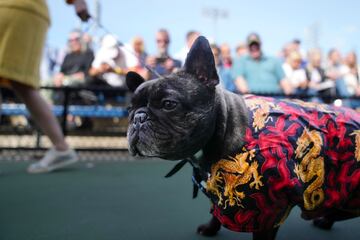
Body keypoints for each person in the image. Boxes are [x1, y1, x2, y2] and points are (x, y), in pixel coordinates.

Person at [0, 0, 90, 173]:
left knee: (23, 86)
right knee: (23, 86)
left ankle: (61, 147)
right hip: (30, 13)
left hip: (11, 8)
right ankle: (61, 147)